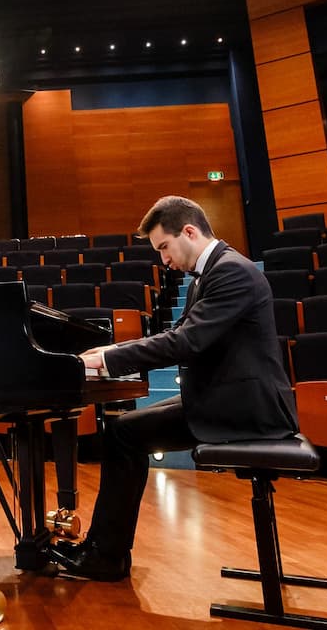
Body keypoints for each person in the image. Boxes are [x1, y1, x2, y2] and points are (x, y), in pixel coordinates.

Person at [49, 195, 298, 581]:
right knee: (121, 432)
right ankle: (105, 552)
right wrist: (115, 350)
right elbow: (179, 334)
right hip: (225, 399)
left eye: (164, 247)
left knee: (122, 435)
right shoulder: (214, 272)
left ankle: (106, 556)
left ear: (189, 231)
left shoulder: (231, 272)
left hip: (247, 408)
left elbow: (187, 342)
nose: (163, 260)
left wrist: (107, 360)